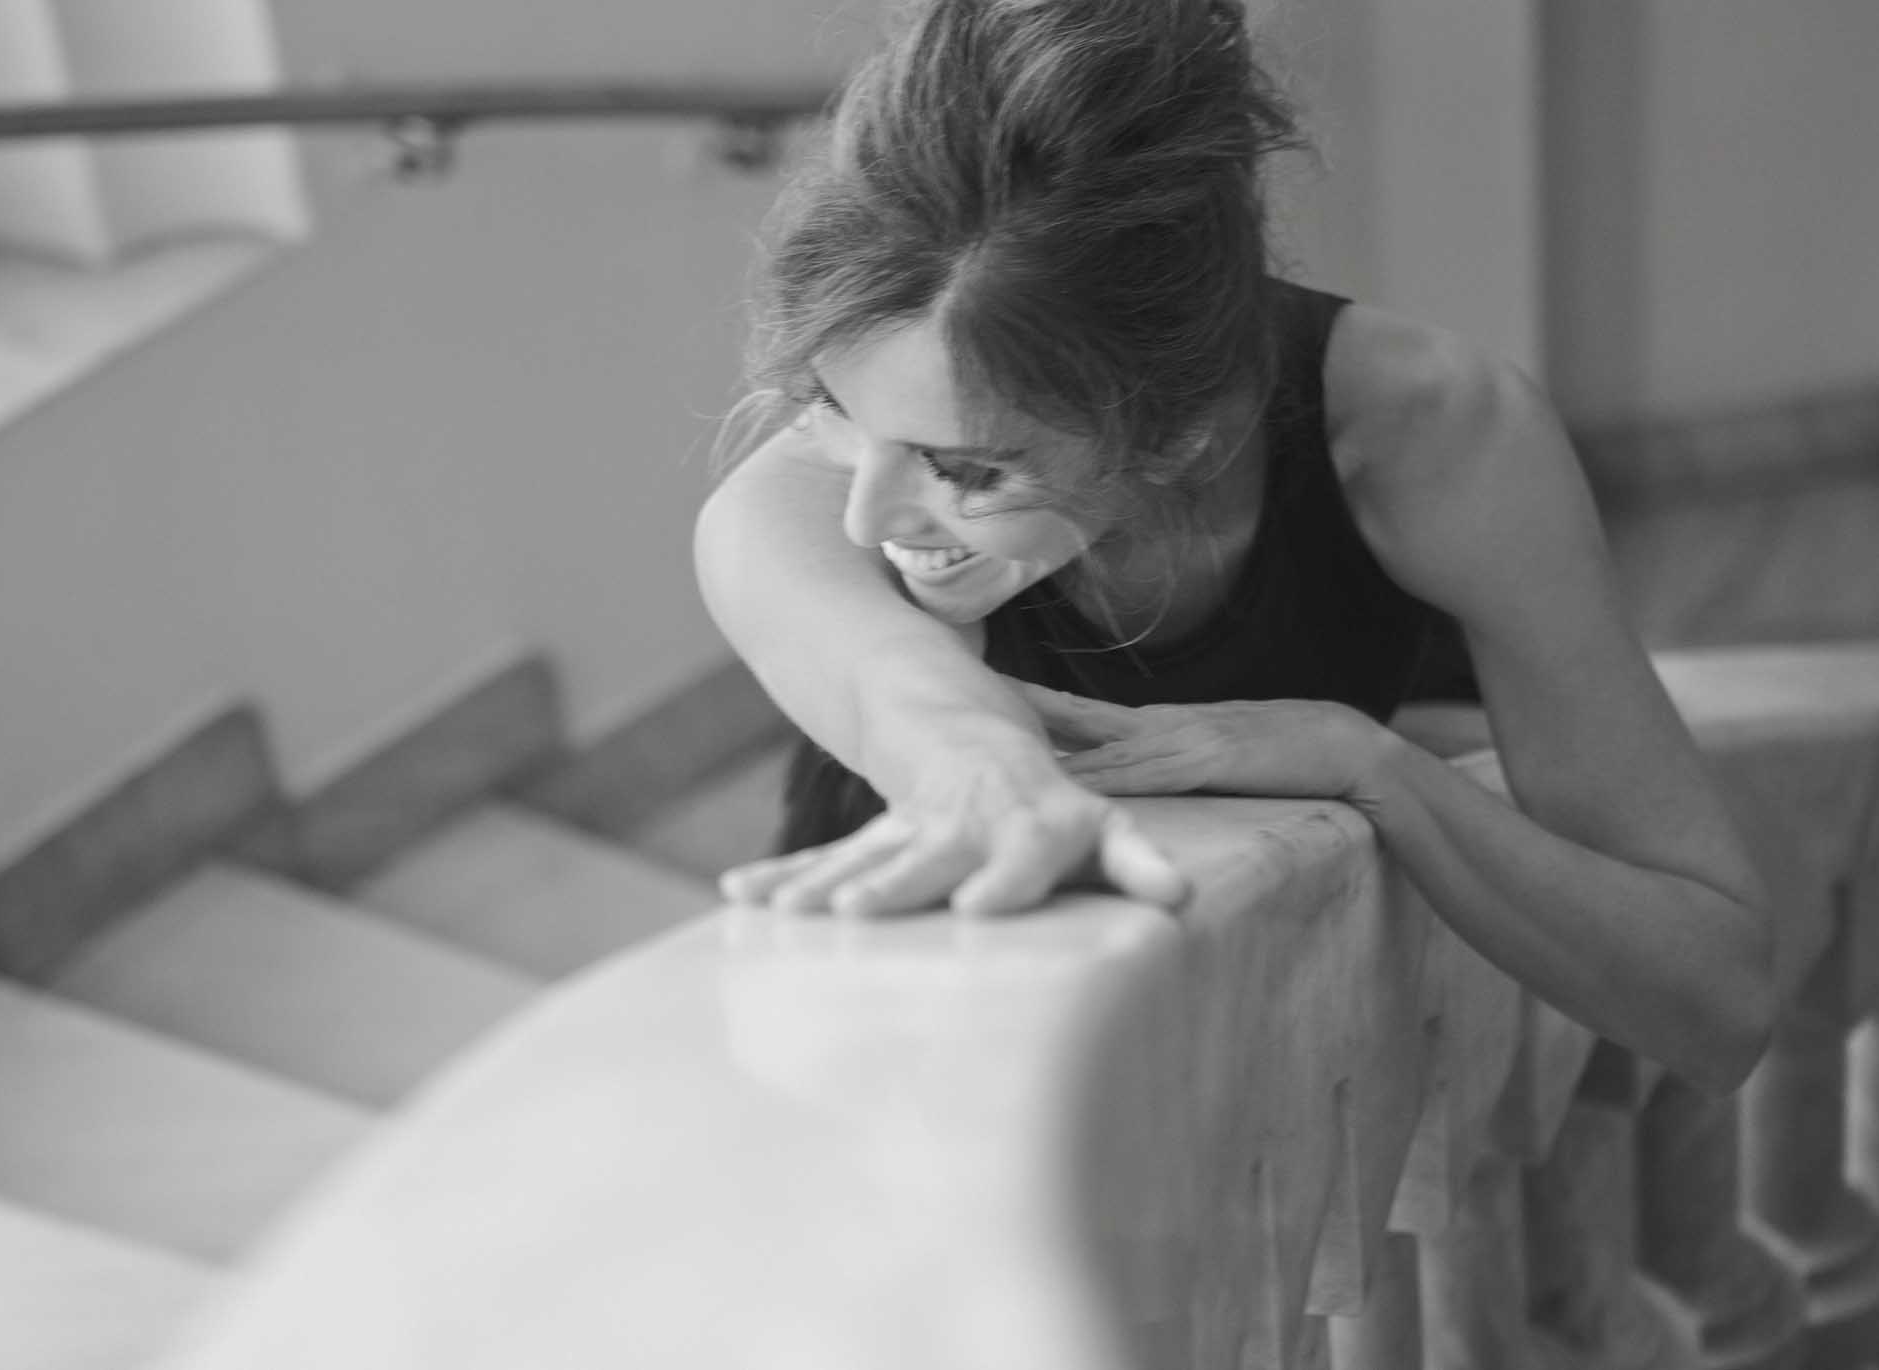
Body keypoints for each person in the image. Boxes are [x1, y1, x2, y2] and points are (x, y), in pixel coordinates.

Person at [692, 0, 1774, 1093]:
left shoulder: (1433, 431)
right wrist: (979, 763)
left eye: (966, 470)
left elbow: (1718, 994)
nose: (863, 519)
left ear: (1182, 438)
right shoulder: (777, 512)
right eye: (830, 409)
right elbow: (913, 707)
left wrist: (1370, 764)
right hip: (875, 1042)